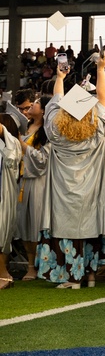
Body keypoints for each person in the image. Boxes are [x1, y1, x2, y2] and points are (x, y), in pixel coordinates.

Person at [38, 51, 105, 289]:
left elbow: (55, 101)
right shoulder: (97, 128)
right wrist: (101, 69)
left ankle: (73, 278)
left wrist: (60, 77)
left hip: (64, 192)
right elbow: (101, 96)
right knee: (88, 228)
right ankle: (89, 276)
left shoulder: (56, 132)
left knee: (68, 231)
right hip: (90, 191)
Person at [15, 94, 51, 281]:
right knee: (23, 222)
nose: (31, 106)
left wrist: (22, 145)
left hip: (38, 181)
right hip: (21, 179)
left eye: (36, 103)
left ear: (44, 110)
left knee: (35, 222)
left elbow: (43, 159)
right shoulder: (25, 127)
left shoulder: (47, 132)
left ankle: (39, 265)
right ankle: (30, 265)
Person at [0, 114, 23, 290]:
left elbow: (10, 160)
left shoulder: (11, 143)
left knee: (1, 236)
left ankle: (4, 275)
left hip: (4, 194)